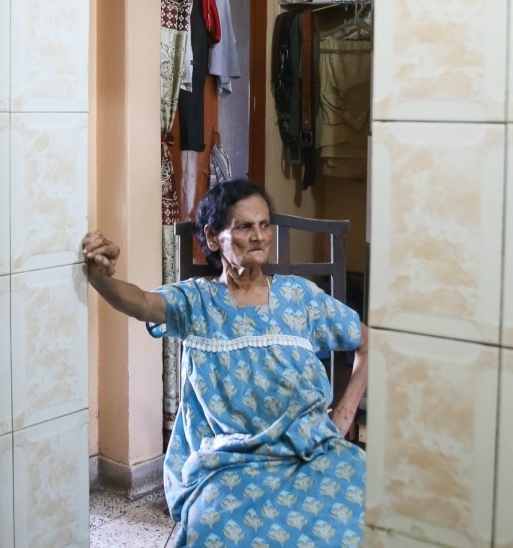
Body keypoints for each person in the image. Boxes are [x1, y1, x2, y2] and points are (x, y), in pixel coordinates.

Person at [82, 179, 369, 547]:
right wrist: (101, 278)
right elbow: (139, 302)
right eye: (245, 227)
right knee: (215, 530)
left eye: (265, 225)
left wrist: (344, 416)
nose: (260, 236)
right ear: (215, 237)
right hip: (228, 461)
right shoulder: (196, 301)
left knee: (364, 513)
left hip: (310, 450)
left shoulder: (301, 297)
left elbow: (367, 341)